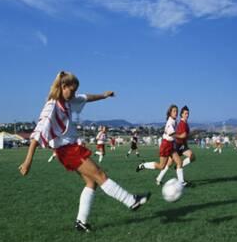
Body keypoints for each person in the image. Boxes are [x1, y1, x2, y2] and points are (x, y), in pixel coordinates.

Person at [19, 71, 151, 232]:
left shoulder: (67, 101)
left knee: (91, 182)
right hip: (67, 150)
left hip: (70, 148)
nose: (74, 94)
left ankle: (81, 222)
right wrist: (28, 161)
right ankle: (131, 200)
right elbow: (37, 134)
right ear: (63, 86)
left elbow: (86, 97)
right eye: (72, 90)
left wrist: (103, 95)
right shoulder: (51, 106)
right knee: (100, 175)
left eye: (75, 91)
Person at [136, 105, 182, 186]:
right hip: (166, 145)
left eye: (176, 111)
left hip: (171, 145)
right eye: (174, 111)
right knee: (161, 166)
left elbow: (174, 137)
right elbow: (172, 134)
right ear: (170, 113)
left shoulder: (174, 121)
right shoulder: (170, 122)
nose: (176, 113)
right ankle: (143, 165)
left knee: (179, 162)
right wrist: (182, 136)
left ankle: (181, 182)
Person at [173, 105, 196, 185]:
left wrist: (186, 145)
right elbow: (183, 136)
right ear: (181, 114)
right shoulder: (182, 124)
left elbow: (185, 137)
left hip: (182, 146)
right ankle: (181, 181)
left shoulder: (186, 123)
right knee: (164, 165)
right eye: (185, 113)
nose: (187, 115)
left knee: (192, 157)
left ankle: (178, 168)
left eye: (188, 113)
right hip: (176, 145)